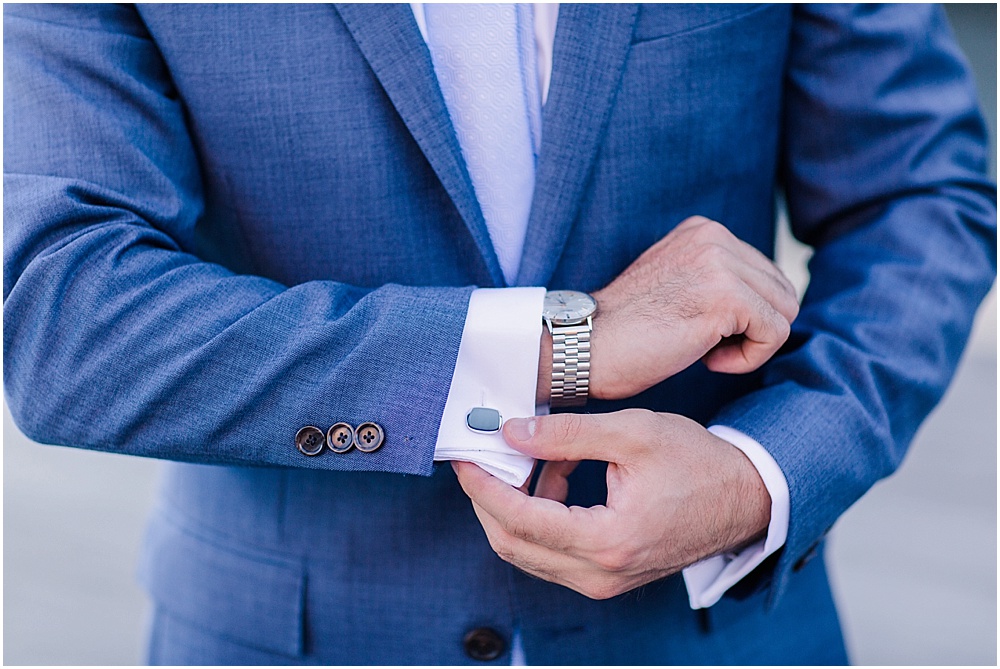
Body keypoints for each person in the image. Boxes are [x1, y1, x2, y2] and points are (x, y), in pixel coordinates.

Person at [3, 3, 995, 665]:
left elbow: (919, 194)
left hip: (709, 633)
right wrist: (563, 344)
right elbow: (69, 326)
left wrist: (760, 474)